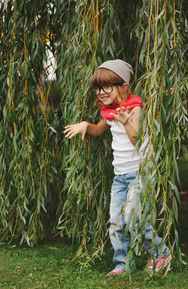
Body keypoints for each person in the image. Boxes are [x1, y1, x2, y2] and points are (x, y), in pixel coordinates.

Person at [64, 59, 171, 275]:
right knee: (116, 222)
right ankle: (123, 263)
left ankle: (161, 252)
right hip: (119, 176)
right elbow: (97, 130)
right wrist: (86, 125)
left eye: (106, 86)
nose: (101, 92)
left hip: (138, 174)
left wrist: (125, 121)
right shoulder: (109, 111)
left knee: (135, 217)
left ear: (122, 86)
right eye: (98, 87)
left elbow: (136, 140)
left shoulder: (134, 108)